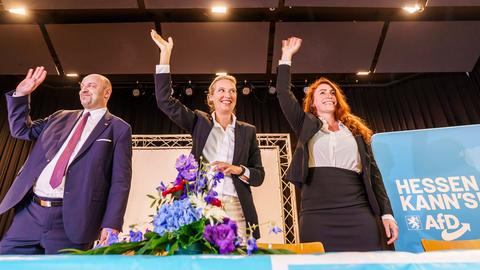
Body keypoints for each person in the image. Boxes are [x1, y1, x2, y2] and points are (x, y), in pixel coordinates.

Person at [276, 37, 398, 252]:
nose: (329, 95)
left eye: (332, 92)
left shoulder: (355, 131)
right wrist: (286, 57)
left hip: (358, 208)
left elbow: (374, 175)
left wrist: (387, 213)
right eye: (321, 92)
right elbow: (284, 94)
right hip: (317, 211)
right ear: (312, 103)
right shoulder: (305, 124)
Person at [0, 67, 132, 254]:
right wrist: (21, 95)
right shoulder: (60, 116)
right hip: (30, 213)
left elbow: (120, 182)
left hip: (74, 219)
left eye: (91, 85)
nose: (84, 89)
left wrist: (112, 223)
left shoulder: (118, 129)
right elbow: (22, 130)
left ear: (107, 92)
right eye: (82, 86)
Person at [150, 30, 265, 240]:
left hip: (236, 207)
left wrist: (237, 169)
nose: (227, 95)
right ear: (211, 97)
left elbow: (259, 176)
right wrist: (165, 55)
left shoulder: (248, 131)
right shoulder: (199, 122)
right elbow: (165, 100)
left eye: (232, 91)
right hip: (201, 205)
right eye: (221, 90)